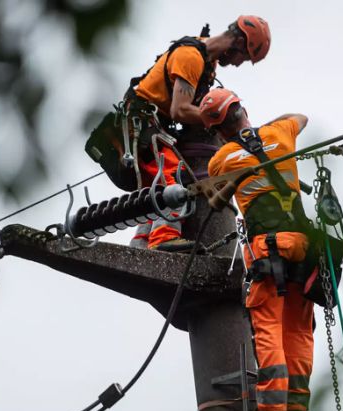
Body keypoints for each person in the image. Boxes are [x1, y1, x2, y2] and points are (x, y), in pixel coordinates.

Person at [84, 16, 271, 252]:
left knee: (155, 189)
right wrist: (217, 120)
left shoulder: (206, 60)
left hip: (153, 123)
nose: (237, 64)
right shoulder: (191, 57)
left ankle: (141, 244)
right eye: (244, 57)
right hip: (143, 121)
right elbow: (179, 109)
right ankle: (164, 237)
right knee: (169, 175)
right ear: (239, 43)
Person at [203, 88, 313, 411]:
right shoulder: (281, 133)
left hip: (268, 249)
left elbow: (213, 199)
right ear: (243, 110)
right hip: (304, 248)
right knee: (298, 329)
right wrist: (267, 133)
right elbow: (300, 117)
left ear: (218, 131)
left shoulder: (221, 158)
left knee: (268, 327)